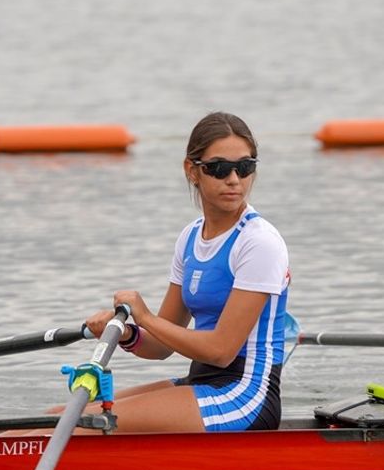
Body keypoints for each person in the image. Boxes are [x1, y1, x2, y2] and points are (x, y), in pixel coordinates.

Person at [80, 111, 291, 432]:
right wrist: (128, 334)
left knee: (79, 425)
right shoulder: (191, 237)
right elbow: (162, 346)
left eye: (245, 167)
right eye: (220, 168)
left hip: (245, 395)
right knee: (59, 413)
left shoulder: (259, 242)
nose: (234, 179)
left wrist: (145, 317)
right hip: (202, 381)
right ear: (192, 171)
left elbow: (221, 352)